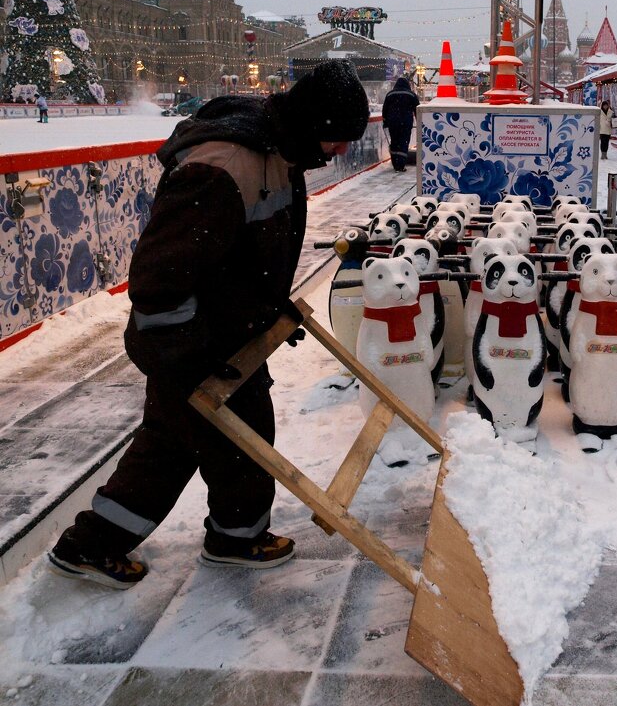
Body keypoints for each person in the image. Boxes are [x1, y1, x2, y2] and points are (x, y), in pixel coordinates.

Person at [48, 59, 370, 589]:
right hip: (188, 341)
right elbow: (160, 277)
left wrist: (267, 310)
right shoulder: (222, 167)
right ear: (313, 122)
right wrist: (186, 355)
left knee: (220, 435)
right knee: (185, 443)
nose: (339, 151)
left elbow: (247, 249)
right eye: (337, 138)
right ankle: (95, 546)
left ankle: (231, 536)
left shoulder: (281, 151)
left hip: (228, 331)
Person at [381, 77, 420, 171]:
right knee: (404, 142)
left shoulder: (390, 94)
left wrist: (385, 121)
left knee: (394, 141)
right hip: (406, 122)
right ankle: (401, 165)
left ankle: (395, 164)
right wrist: (419, 122)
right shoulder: (411, 95)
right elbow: (417, 110)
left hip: (393, 122)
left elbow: (385, 110)